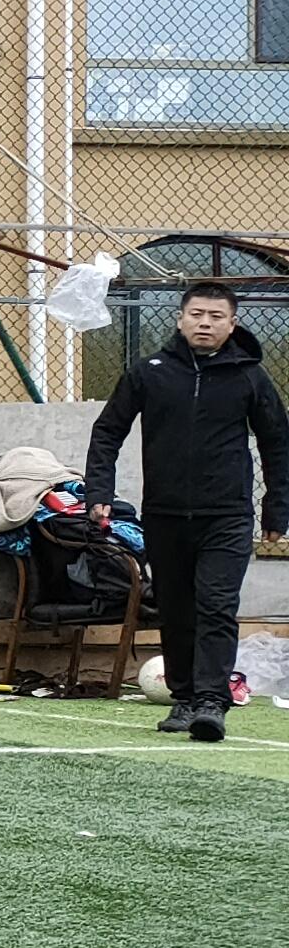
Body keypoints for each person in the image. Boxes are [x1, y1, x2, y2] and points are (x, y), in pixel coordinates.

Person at [86, 276, 289, 743]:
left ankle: (212, 703)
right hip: (165, 514)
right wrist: (99, 490)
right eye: (196, 314)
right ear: (180, 319)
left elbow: (278, 442)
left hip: (227, 515)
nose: (205, 323)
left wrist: (277, 509)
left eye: (216, 316)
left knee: (217, 605)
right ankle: (184, 696)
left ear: (232, 323)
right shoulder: (150, 371)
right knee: (176, 609)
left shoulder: (249, 375)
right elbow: (108, 431)